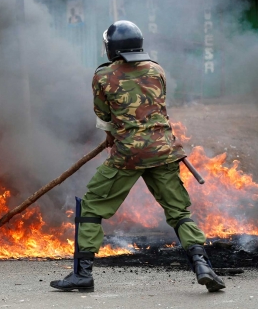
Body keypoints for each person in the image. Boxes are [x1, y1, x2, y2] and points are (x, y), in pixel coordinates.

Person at [50, 20, 225, 293]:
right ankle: (203, 265)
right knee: (179, 213)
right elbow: (157, 107)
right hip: (164, 150)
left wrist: (111, 133)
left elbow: (104, 114)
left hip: (128, 155)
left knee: (92, 207)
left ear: (112, 48)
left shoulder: (103, 76)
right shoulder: (157, 70)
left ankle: (82, 275)